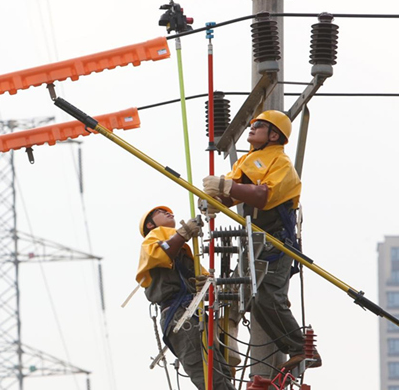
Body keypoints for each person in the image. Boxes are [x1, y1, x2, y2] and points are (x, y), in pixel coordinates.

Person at [201, 110, 321, 371]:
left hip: (277, 242)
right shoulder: (248, 160)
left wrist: (226, 187)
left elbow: (262, 196)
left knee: (268, 299)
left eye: (258, 126)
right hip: (256, 242)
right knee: (249, 298)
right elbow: (233, 192)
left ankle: (302, 348)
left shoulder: (281, 164)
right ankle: (228, 350)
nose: (251, 129)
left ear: (274, 134)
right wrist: (213, 201)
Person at [136, 206, 235, 390]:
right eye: (160, 212)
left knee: (221, 373)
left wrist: (207, 284)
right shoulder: (152, 240)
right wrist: (184, 233)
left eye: (169, 212)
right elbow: (162, 252)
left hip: (192, 315)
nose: (168, 213)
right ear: (150, 224)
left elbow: (209, 282)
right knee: (209, 377)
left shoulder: (184, 251)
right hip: (179, 317)